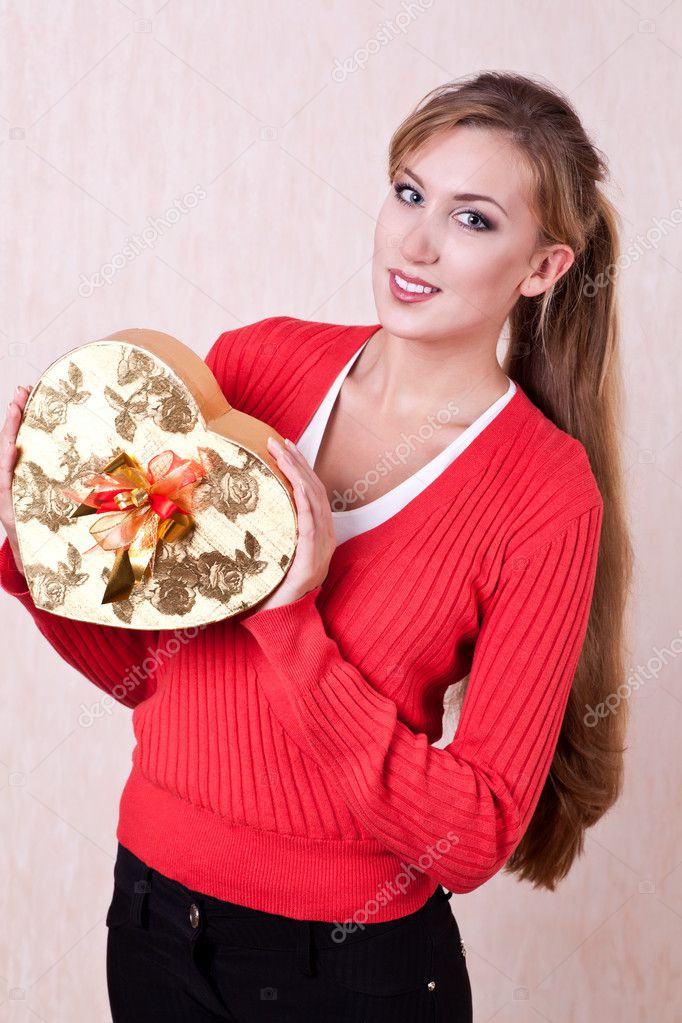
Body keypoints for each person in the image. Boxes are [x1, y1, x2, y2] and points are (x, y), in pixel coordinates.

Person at [0, 70, 632, 1022]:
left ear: (543, 267)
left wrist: (294, 624)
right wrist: (24, 543)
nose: (415, 243)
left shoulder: (544, 493)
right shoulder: (254, 366)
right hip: (150, 918)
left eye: (473, 220)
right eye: (409, 193)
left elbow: (473, 836)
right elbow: (154, 674)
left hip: (347, 969)